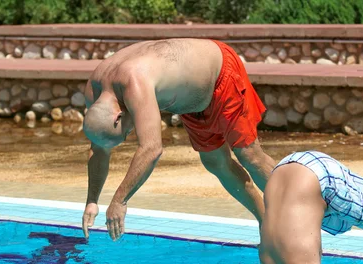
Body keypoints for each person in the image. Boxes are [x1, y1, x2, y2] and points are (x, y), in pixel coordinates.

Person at [81, 38, 277, 240]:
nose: (129, 133)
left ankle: (296, 210)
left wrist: (119, 201)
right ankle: (268, 224)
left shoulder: (134, 82)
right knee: (215, 163)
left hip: (220, 75)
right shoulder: (96, 94)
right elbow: (99, 149)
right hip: (190, 101)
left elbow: (151, 149)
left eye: (125, 133)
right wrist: (92, 200)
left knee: (249, 156)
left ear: (118, 116)